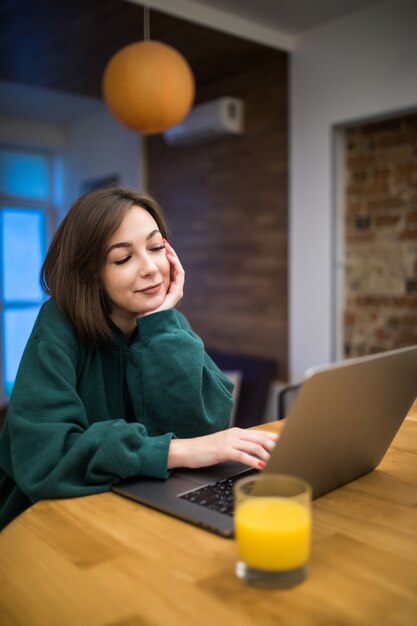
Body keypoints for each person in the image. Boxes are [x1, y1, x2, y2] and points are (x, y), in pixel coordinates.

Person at [0, 185, 277, 530]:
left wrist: (159, 325)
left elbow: (205, 427)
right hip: (48, 522)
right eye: (123, 258)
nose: (151, 268)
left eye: (156, 247)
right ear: (90, 274)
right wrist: (177, 452)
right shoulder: (58, 326)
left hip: (138, 511)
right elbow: (46, 456)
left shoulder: (166, 322)